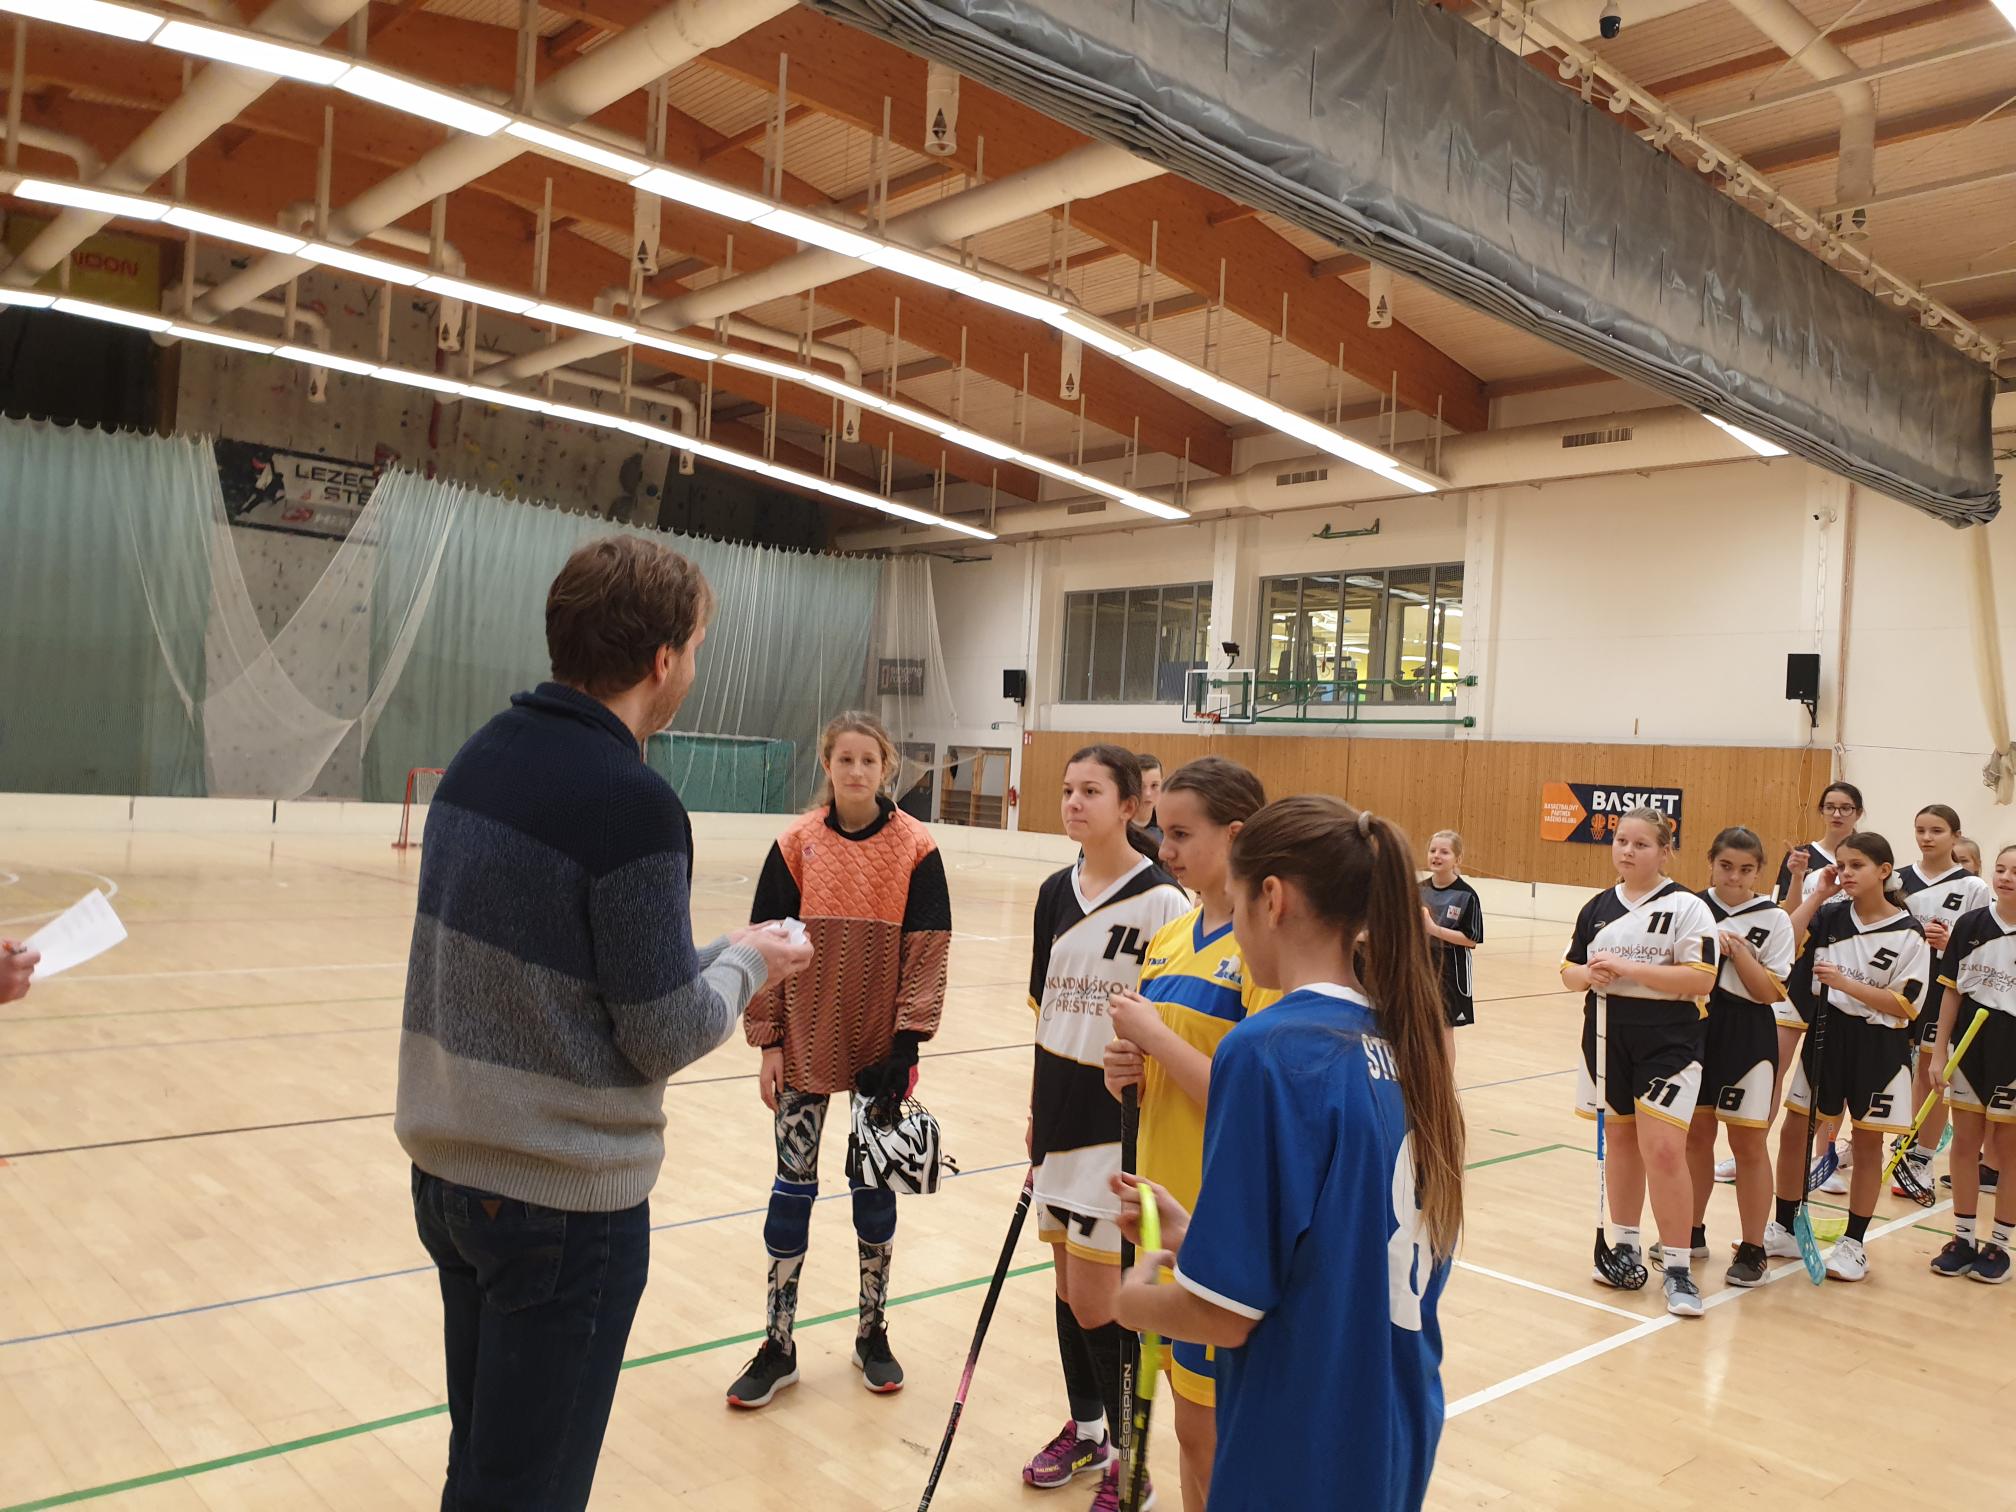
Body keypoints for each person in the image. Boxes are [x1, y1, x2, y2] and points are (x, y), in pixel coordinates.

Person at [396, 534, 813, 1512]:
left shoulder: (480, 759)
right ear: (662, 659)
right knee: (529, 1493)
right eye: (696, 649)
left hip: (453, 1185)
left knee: (483, 1474)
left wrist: (724, 945)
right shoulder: (632, 801)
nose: (693, 669)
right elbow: (661, 1032)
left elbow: (589, 978)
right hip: (559, 1208)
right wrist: (753, 965)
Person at [1112, 796, 1462, 1512]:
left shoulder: (1269, 1050)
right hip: (1395, 1426)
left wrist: (1132, 1299)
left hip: (1302, 1443)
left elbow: (1223, 1317)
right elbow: (1344, 1247)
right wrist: (1198, 1236)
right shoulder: (1404, 1042)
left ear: (1272, 899)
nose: (1234, 927)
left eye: (1237, 900)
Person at [727, 712, 951, 1409]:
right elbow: (764, 943)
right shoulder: (796, 845)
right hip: (803, 1042)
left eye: (868, 760)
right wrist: (768, 1039)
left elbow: (928, 950)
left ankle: (871, 1333)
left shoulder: (917, 848)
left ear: (886, 768)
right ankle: (778, 1344)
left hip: (878, 1052)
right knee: (790, 1191)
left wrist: (907, 1043)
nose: (856, 770)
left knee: (875, 1191)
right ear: (827, 765)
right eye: (844, 759)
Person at [1102, 756, 1274, 1512]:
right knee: (1187, 1429)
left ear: (1235, 835)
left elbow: (1253, 1100)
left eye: (1180, 834)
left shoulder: (1264, 947)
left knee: (1213, 1437)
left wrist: (1155, 1038)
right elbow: (1160, 1071)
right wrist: (1127, 1068)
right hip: (1160, 1213)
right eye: (1160, 831)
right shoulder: (1172, 937)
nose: (1164, 849)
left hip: (1215, 1216)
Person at [1024, 745, 1188, 1511]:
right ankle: (1088, 1430)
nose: (1073, 802)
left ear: (1130, 805)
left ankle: (1132, 1461)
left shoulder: (1163, 903)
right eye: (1067, 790)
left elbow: (1171, 1024)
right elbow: (1047, 1010)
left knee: (1097, 1301)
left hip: (1114, 1128)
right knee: (1067, 1287)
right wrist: (1036, 1109)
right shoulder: (1053, 893)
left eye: (1091, 791)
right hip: (1057, 1115)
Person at [1560, 806, 1719, 1317]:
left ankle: (1677, 1267)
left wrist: (1629, 969)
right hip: (1607, 1037)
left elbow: (1701, 978)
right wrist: (1587, 975)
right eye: (1621, 841)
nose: (1627, 851)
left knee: (1665, 1151)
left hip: (1668, 1042)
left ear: (1665, 851)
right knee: (1622, 1143)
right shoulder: (1597, 907)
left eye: (1641, 844)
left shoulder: (1689, 907)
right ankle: (1625, 1245)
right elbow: (1568, 971)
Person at [1763, 833, 1929, 1282]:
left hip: (1879, 1046)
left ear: (1884, 871)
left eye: (1857, 865)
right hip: (1826, 1034)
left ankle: (1854, 1244)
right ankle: (1784, 1227)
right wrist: (1818, 893)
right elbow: (1783, 941)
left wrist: (1845, 984)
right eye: (1841, 865)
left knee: (1868, 1142)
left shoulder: (1909, 932)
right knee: (1794, 1131)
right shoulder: (1831, 915)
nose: (1847, 873)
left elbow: (1905, 1005)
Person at [1680, 827, 1793, 1288]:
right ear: (1711, 862)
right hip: (1694, 1029)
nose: (1734, 877)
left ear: (1759, 871)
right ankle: (1690, 1232)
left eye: (1746, 869)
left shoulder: (1775, 919)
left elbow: (1769, 992)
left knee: (1748, 1143)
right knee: (1695, 1138)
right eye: (1726, 866)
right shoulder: (1688, 906)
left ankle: (1752, 1248)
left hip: (1748, 1033)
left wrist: (1740, 952)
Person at [1891, 804, 1991, 1195]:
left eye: (1936, 830)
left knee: (1931, 1072)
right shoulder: (1896, 880)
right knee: (1896, 1070)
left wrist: (1951, 945)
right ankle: (1896, 1142)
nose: (1927, 837)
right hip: (1900, 987)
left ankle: (1922, 1157)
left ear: (1955, 835)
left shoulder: (1973, 887)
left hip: (1943, 989)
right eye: (1921, 830)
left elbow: (1982, 948)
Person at [1929, 842, 2016, 1283]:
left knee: (2009, 1148)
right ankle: (1962, 1239)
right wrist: (1939, 1051)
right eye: (2001, 869)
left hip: (2012, 1050)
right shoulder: (1971, 924)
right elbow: (1951, 990)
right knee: (1964, 1143)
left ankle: (1999, 1245)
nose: (2006, 878)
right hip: (1969, 1046)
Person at [1775, 781, 1866, 1193]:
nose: (1837, 813)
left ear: (1858, 813)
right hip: (1797, 977)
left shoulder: (1865, 857)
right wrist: (1797, 876)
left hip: (1841, 979)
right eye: (1830, 806)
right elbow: (1785, 919)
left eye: (1846, 807)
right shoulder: (1801, 858)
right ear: (1821, 811)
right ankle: (1749, 1149)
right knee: (1774, 1068)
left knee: (1833, 1076)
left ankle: (1823, 1158)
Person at [1419, 830, 1484, 1057]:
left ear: (1458, 859)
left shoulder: (1467, 895)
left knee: (1445, 1029)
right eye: (1433, 850)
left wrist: (1433, 930)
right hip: (1421, 966)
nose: (1436, 855)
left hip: (1451, 971)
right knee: (1420, 1026)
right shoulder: (1418, 889)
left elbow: (1471, 939)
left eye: (1444, 852)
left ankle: (1445, 1078)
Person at [1136, 753, 1165, 847]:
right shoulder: (1117, 826)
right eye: (1141, 786)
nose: (1148, 793)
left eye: (1154, 785)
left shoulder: (1167, 824)